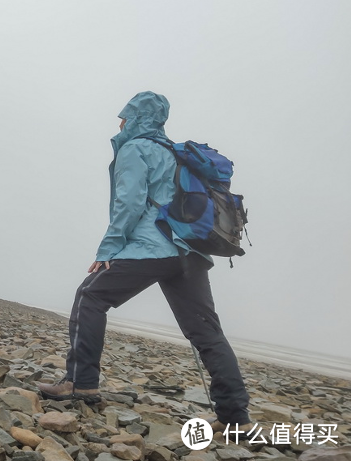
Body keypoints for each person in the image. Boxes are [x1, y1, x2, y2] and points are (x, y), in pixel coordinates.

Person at [36, 91, 251, 429]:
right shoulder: (176, 154)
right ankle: (235, 417)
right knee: (207, 333)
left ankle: (80, 381)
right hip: (190, 254)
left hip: (154, 246)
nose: (120, 121)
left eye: (124, 115)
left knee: (90, 296)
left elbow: (131, 203)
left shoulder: (135, 148)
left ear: (137, 117)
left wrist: (108, 249)